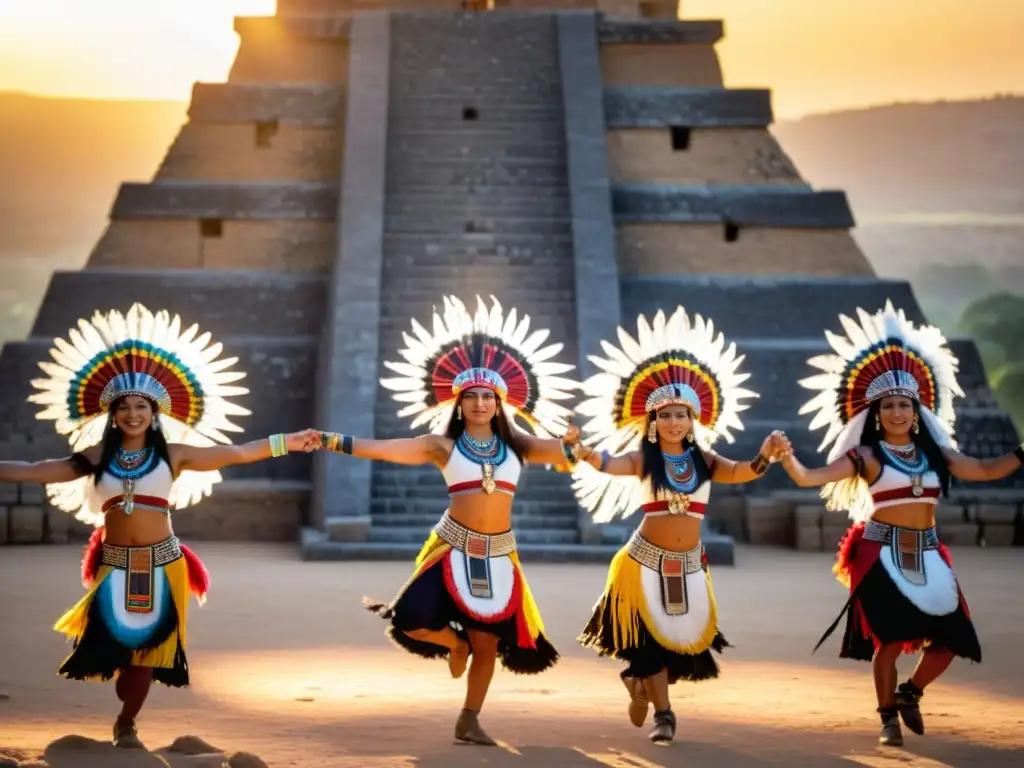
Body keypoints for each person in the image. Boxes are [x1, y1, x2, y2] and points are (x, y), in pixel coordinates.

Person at [0, 303, 318, 749]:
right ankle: (124, 710)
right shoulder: (96, 457)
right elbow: (39, 469)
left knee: (146, 653)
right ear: (112, 414)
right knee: (115, 651)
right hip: (114, 565)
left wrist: (291, 442)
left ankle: (127, 723)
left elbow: (240, 452)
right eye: (125, 407)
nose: (133, 414)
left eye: (142, 406)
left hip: (164, 565)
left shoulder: (177, 455)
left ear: (155, 411)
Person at [318, 295, 582, 746]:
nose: (480, 403)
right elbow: (382, 447)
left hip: (499, 555)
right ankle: (453, 644)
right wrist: (330, 440)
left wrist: (576, 444)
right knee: (409, 619)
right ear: (458, 404)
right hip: (452, 548)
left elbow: (566, 454)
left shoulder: (520, 446)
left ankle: (469, 717)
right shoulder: (440, 446)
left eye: (488, 396)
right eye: (471, 397)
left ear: (500, 404)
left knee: (489, 644)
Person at [777, 300, 1024, 747]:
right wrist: (786, 457)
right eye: (888, 405)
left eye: (904, 405)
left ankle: (910, 692)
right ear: (876, 413)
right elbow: (811, 477)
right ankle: (887, 717)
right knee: (889, 642)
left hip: (928, 552)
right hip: (878, 552)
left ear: (917, 411)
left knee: (952, 639)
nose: (896, 412)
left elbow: (987, 470)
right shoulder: (865, 456)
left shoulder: (938, 455)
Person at [570, 306, 785, 743]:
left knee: (675, 649)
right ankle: (664, 716)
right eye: (665, 416)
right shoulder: (642, 460)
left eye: (681, 415)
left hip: (689, 566)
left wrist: (766, 457)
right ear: (652, 423)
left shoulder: (706, 460)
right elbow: (606, 463)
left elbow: (742, 470)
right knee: (649, 644)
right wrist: (582, 450)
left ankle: (639, 684)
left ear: (693, 419)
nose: (673, 422)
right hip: (642, 564)